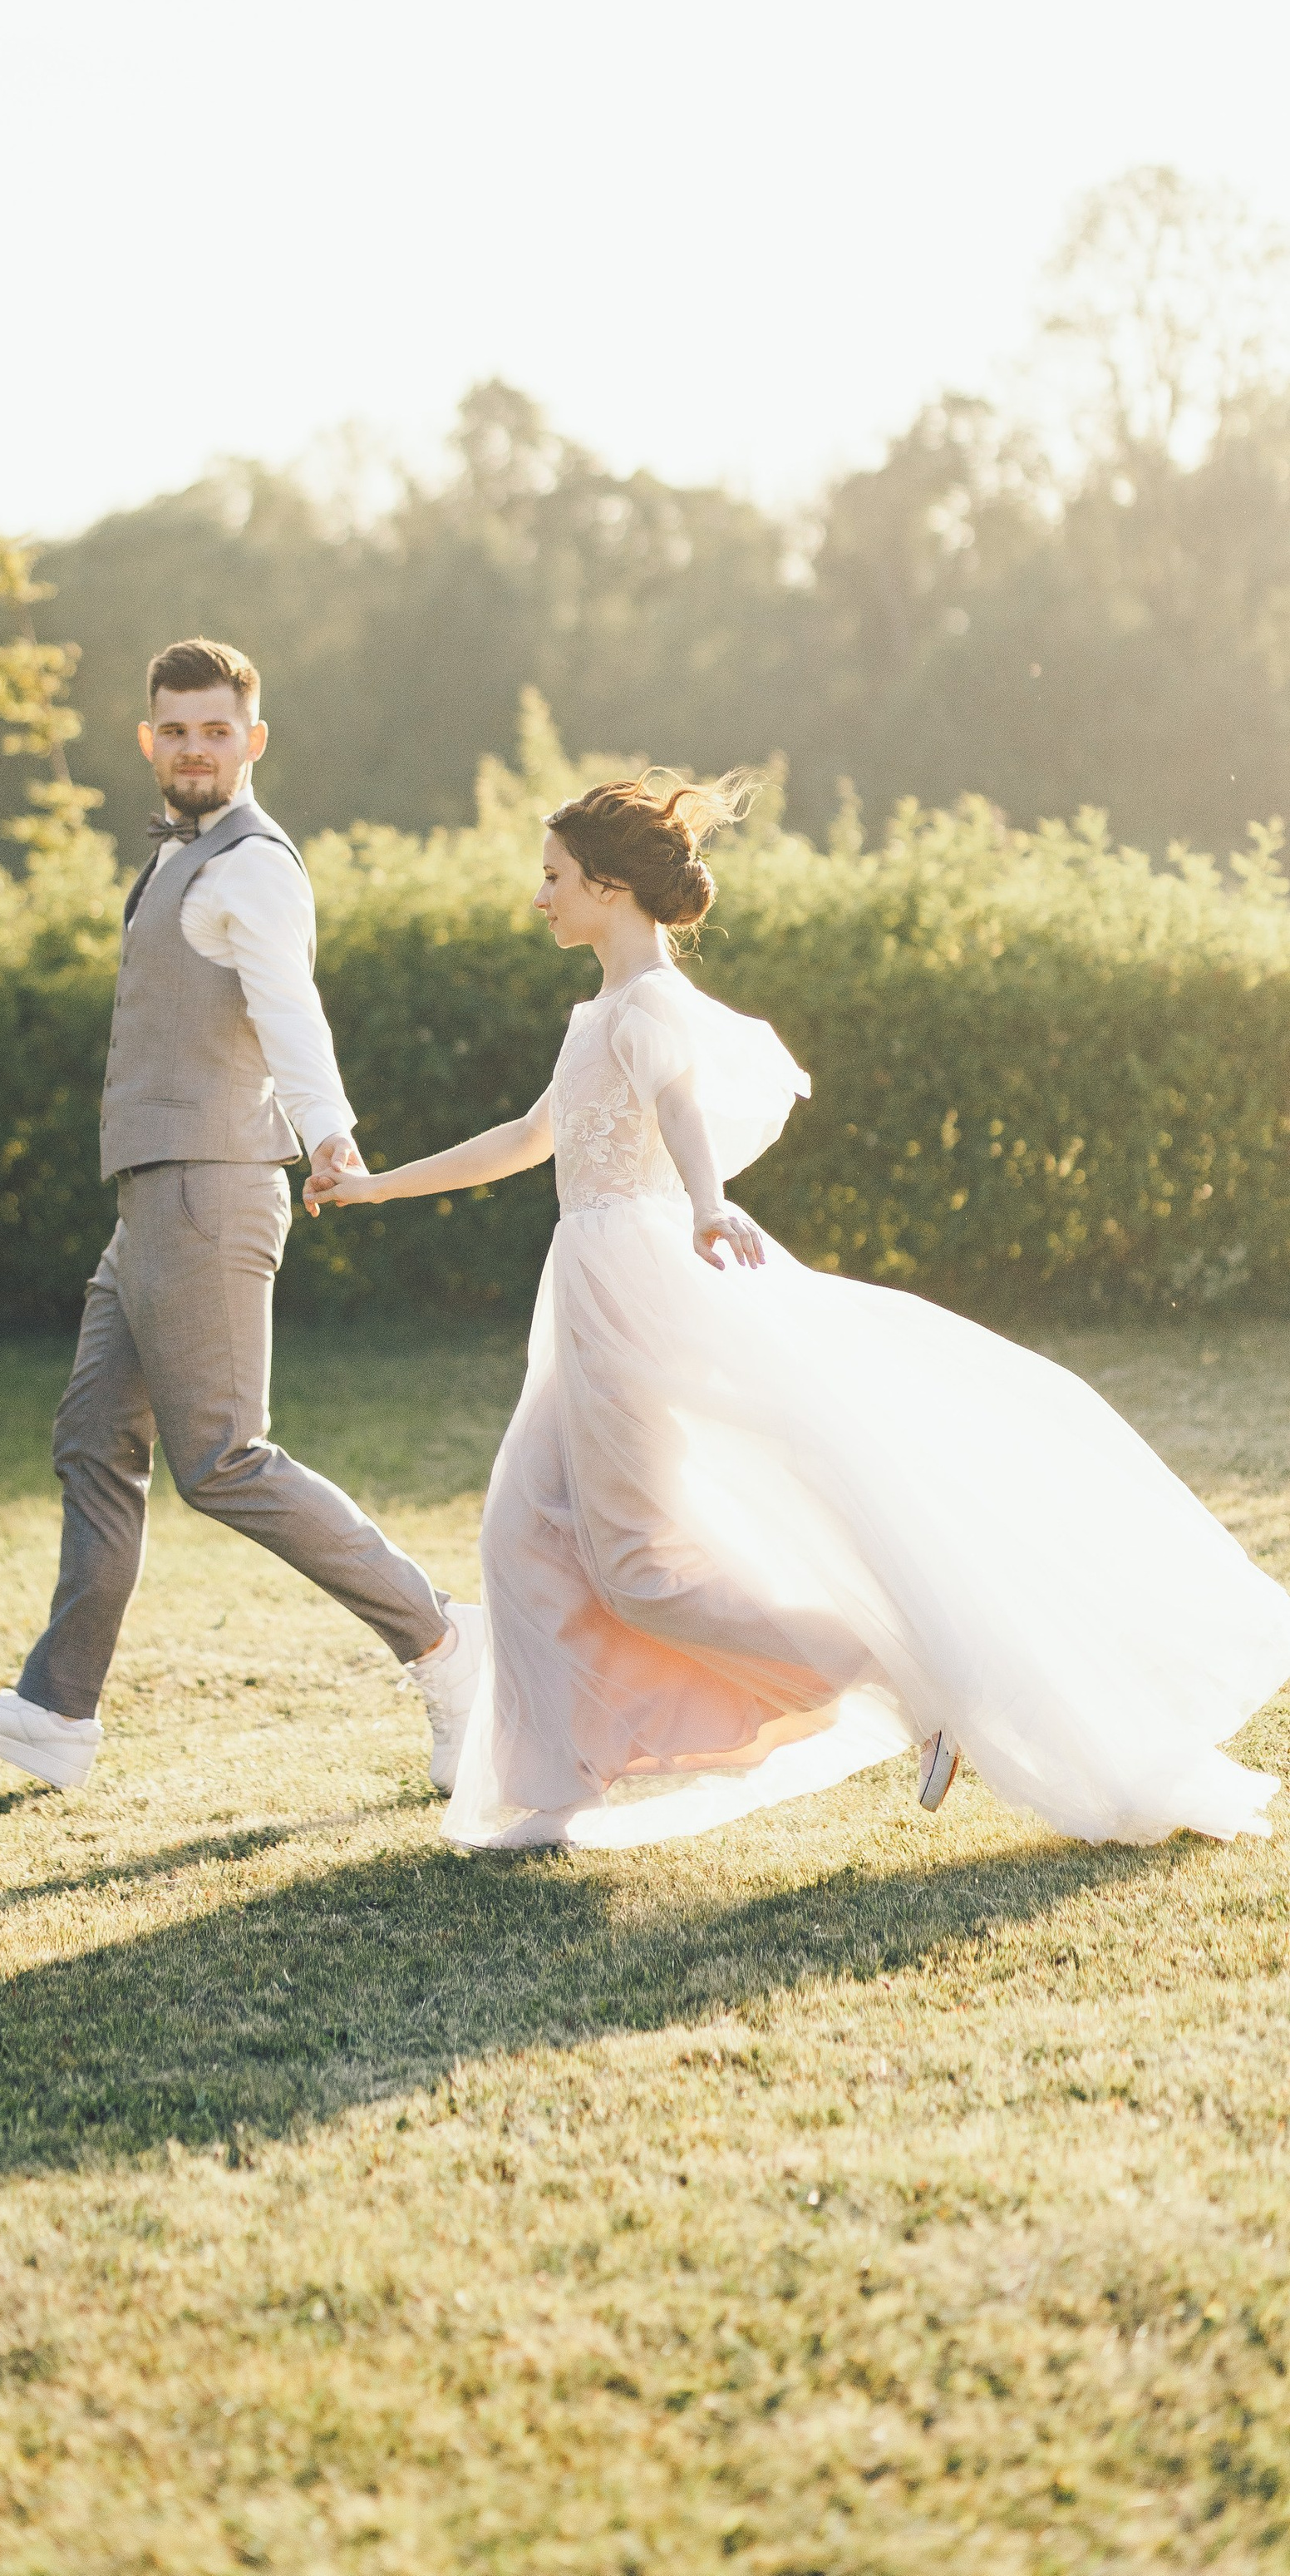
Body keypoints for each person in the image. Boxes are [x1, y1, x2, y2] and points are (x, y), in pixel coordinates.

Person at [307, 776, 1290, 1853]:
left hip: (630, 1294)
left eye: (553, 879)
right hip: (587, 1286)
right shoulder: (594, 1014)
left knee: (636, 1568)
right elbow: (527, 1137)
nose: (538, 897)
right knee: (522, 1535)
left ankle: (915, 1683)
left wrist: (708, 1200)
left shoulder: (648, 1009)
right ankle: (546, 1796)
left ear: (611, 889)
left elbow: (680, 1104)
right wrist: (374, 1185)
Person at [0, 638, 480, 1792]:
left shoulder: (252, 866)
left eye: (215, 730)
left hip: (210, 1189)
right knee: (93, 1440)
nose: (193, 748)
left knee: (224, 1459)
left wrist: (330, 1133)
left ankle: (445, 1646)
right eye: (175, 729)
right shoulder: (184, 857)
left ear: (253, 741)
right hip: (153, 1198)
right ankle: (57, 1713)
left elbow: (290, 1009)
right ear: (148, 739)